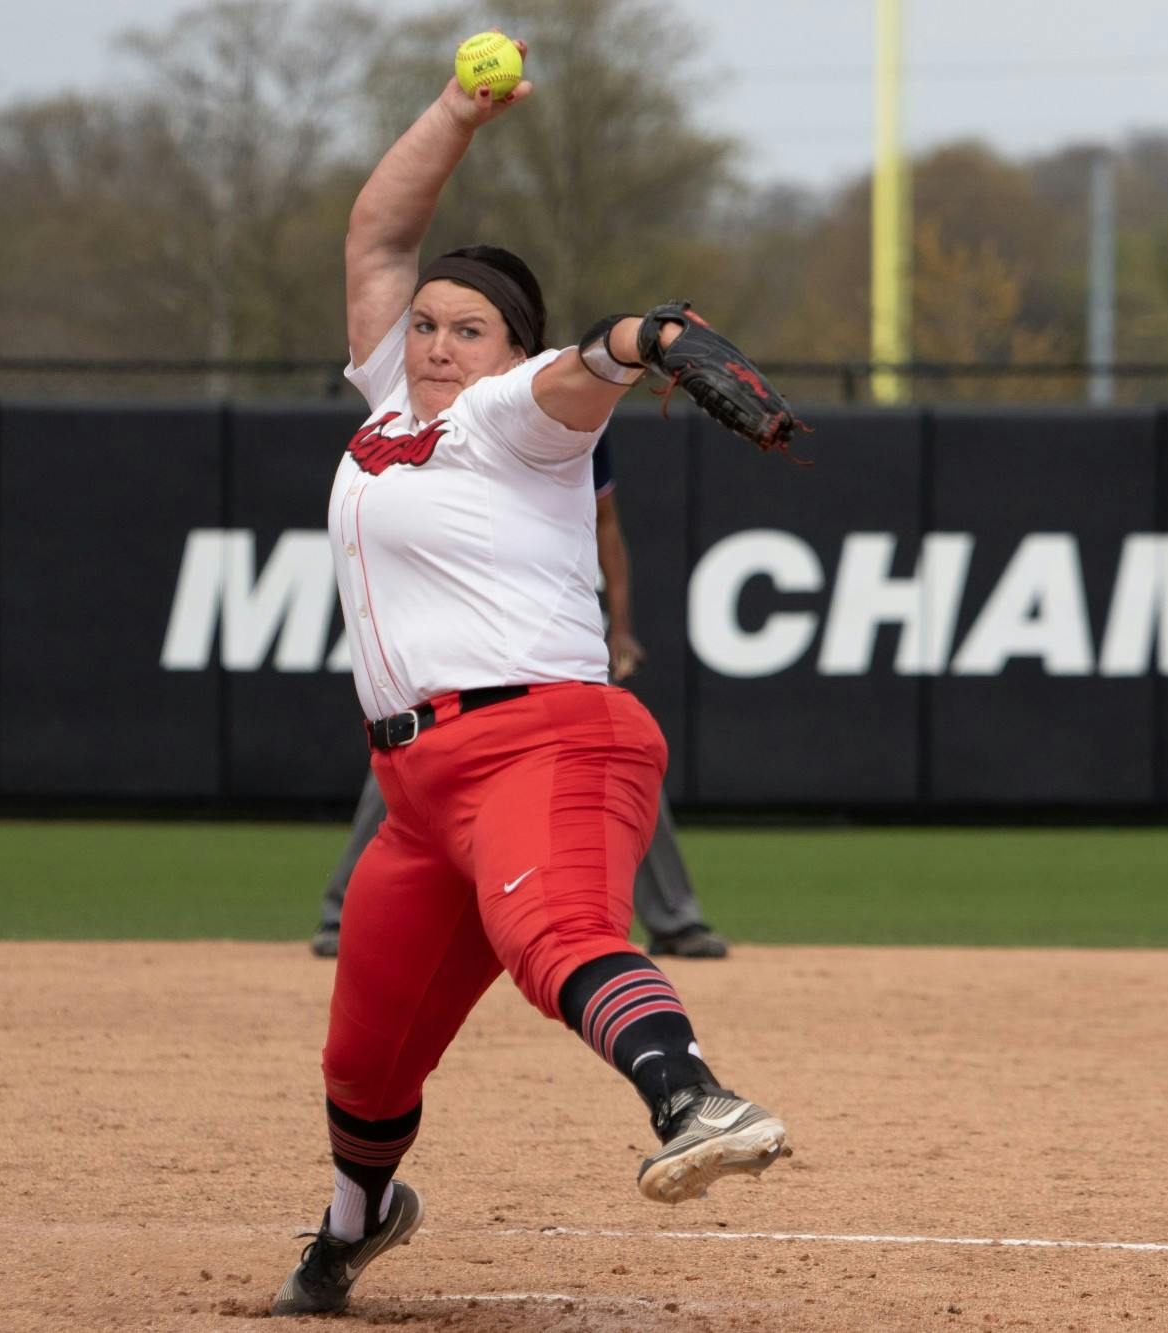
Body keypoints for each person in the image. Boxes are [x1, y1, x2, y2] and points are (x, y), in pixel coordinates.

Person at [271, 39, 799, 1319]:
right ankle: (354, 1224)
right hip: (416, 790)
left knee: (554, 938)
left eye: (470, 329)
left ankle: (694, 1096)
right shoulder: (392, 406)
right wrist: (457, 109)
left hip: (544, 743)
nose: (440, 341)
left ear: (508, 347)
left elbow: (593, 363)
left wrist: (648, 335)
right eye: (429, 324)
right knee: (364, 1050)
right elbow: (377, 233)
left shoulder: (512, 414)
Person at [308, 437, 730, 961]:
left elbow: (605, 523)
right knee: (414, 753)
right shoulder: (443, 422)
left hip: (543, 627)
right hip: (461, 617)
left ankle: (674, 919)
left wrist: (620, 627)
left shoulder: (575, 420)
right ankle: (345, 914)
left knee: (612, 756)